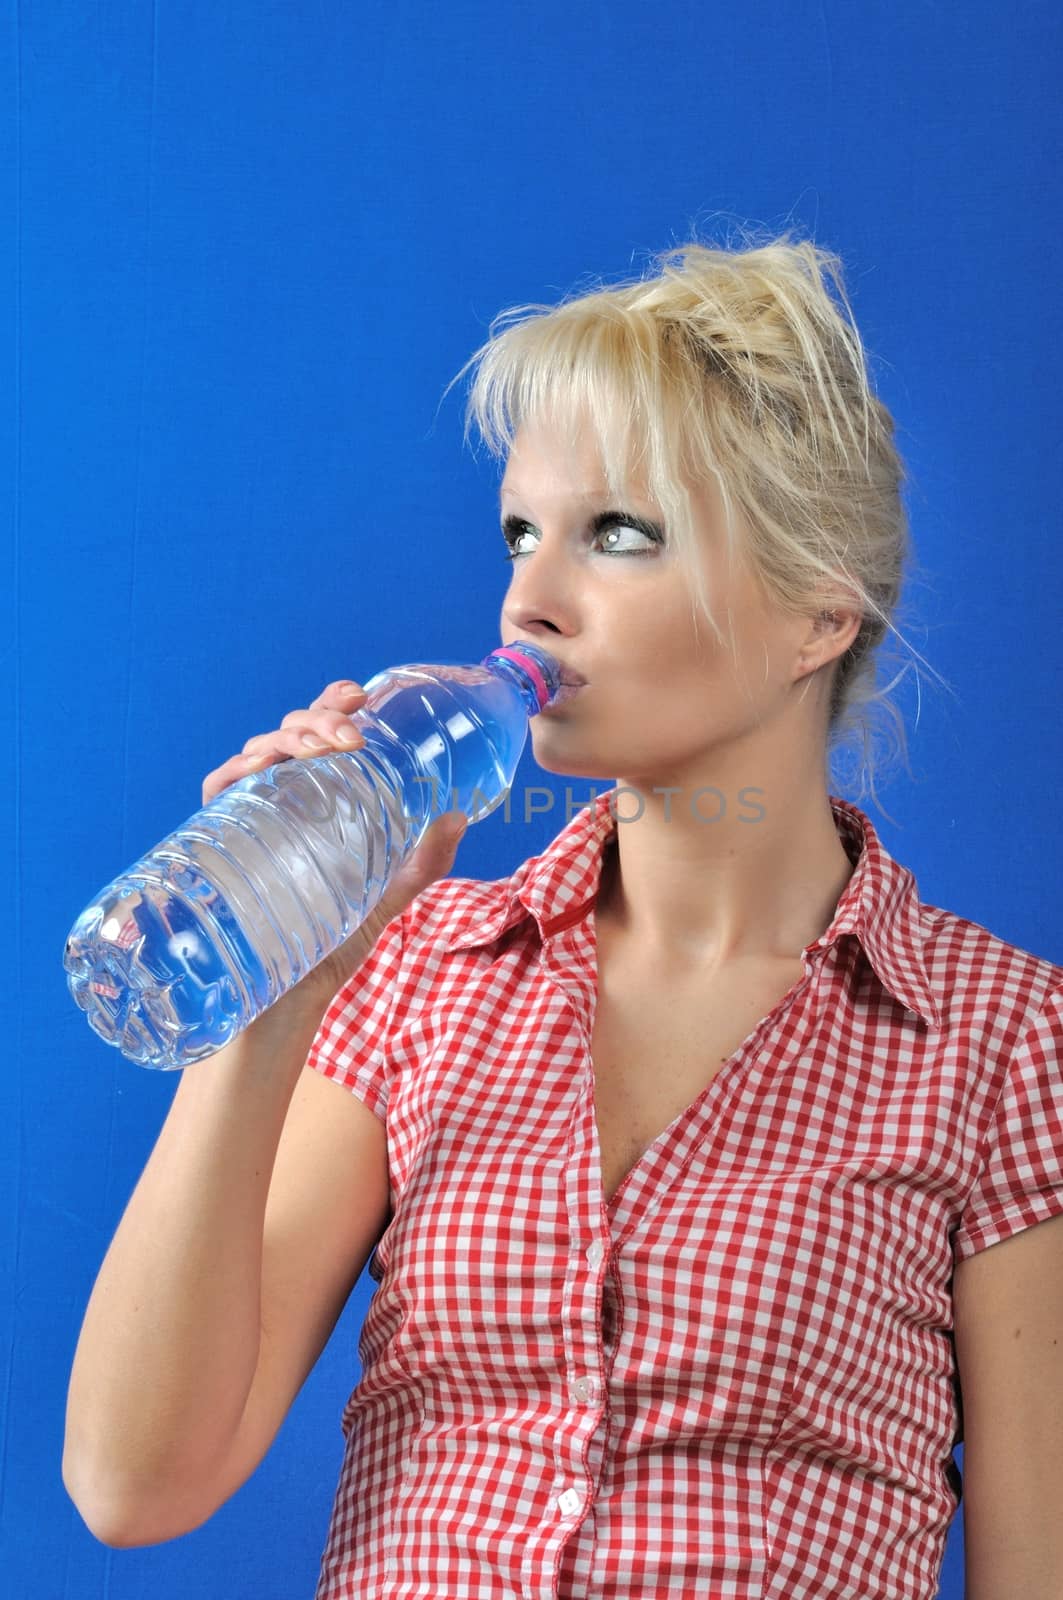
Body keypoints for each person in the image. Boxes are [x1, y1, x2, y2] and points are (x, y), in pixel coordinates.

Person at [63, 233, 1063, 1598]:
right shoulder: (419, 978)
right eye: (522, 531)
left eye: (620, 535)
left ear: (818, 614)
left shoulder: (1005, 1040)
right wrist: (283, 975)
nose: (530, 598)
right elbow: (133, 1486)